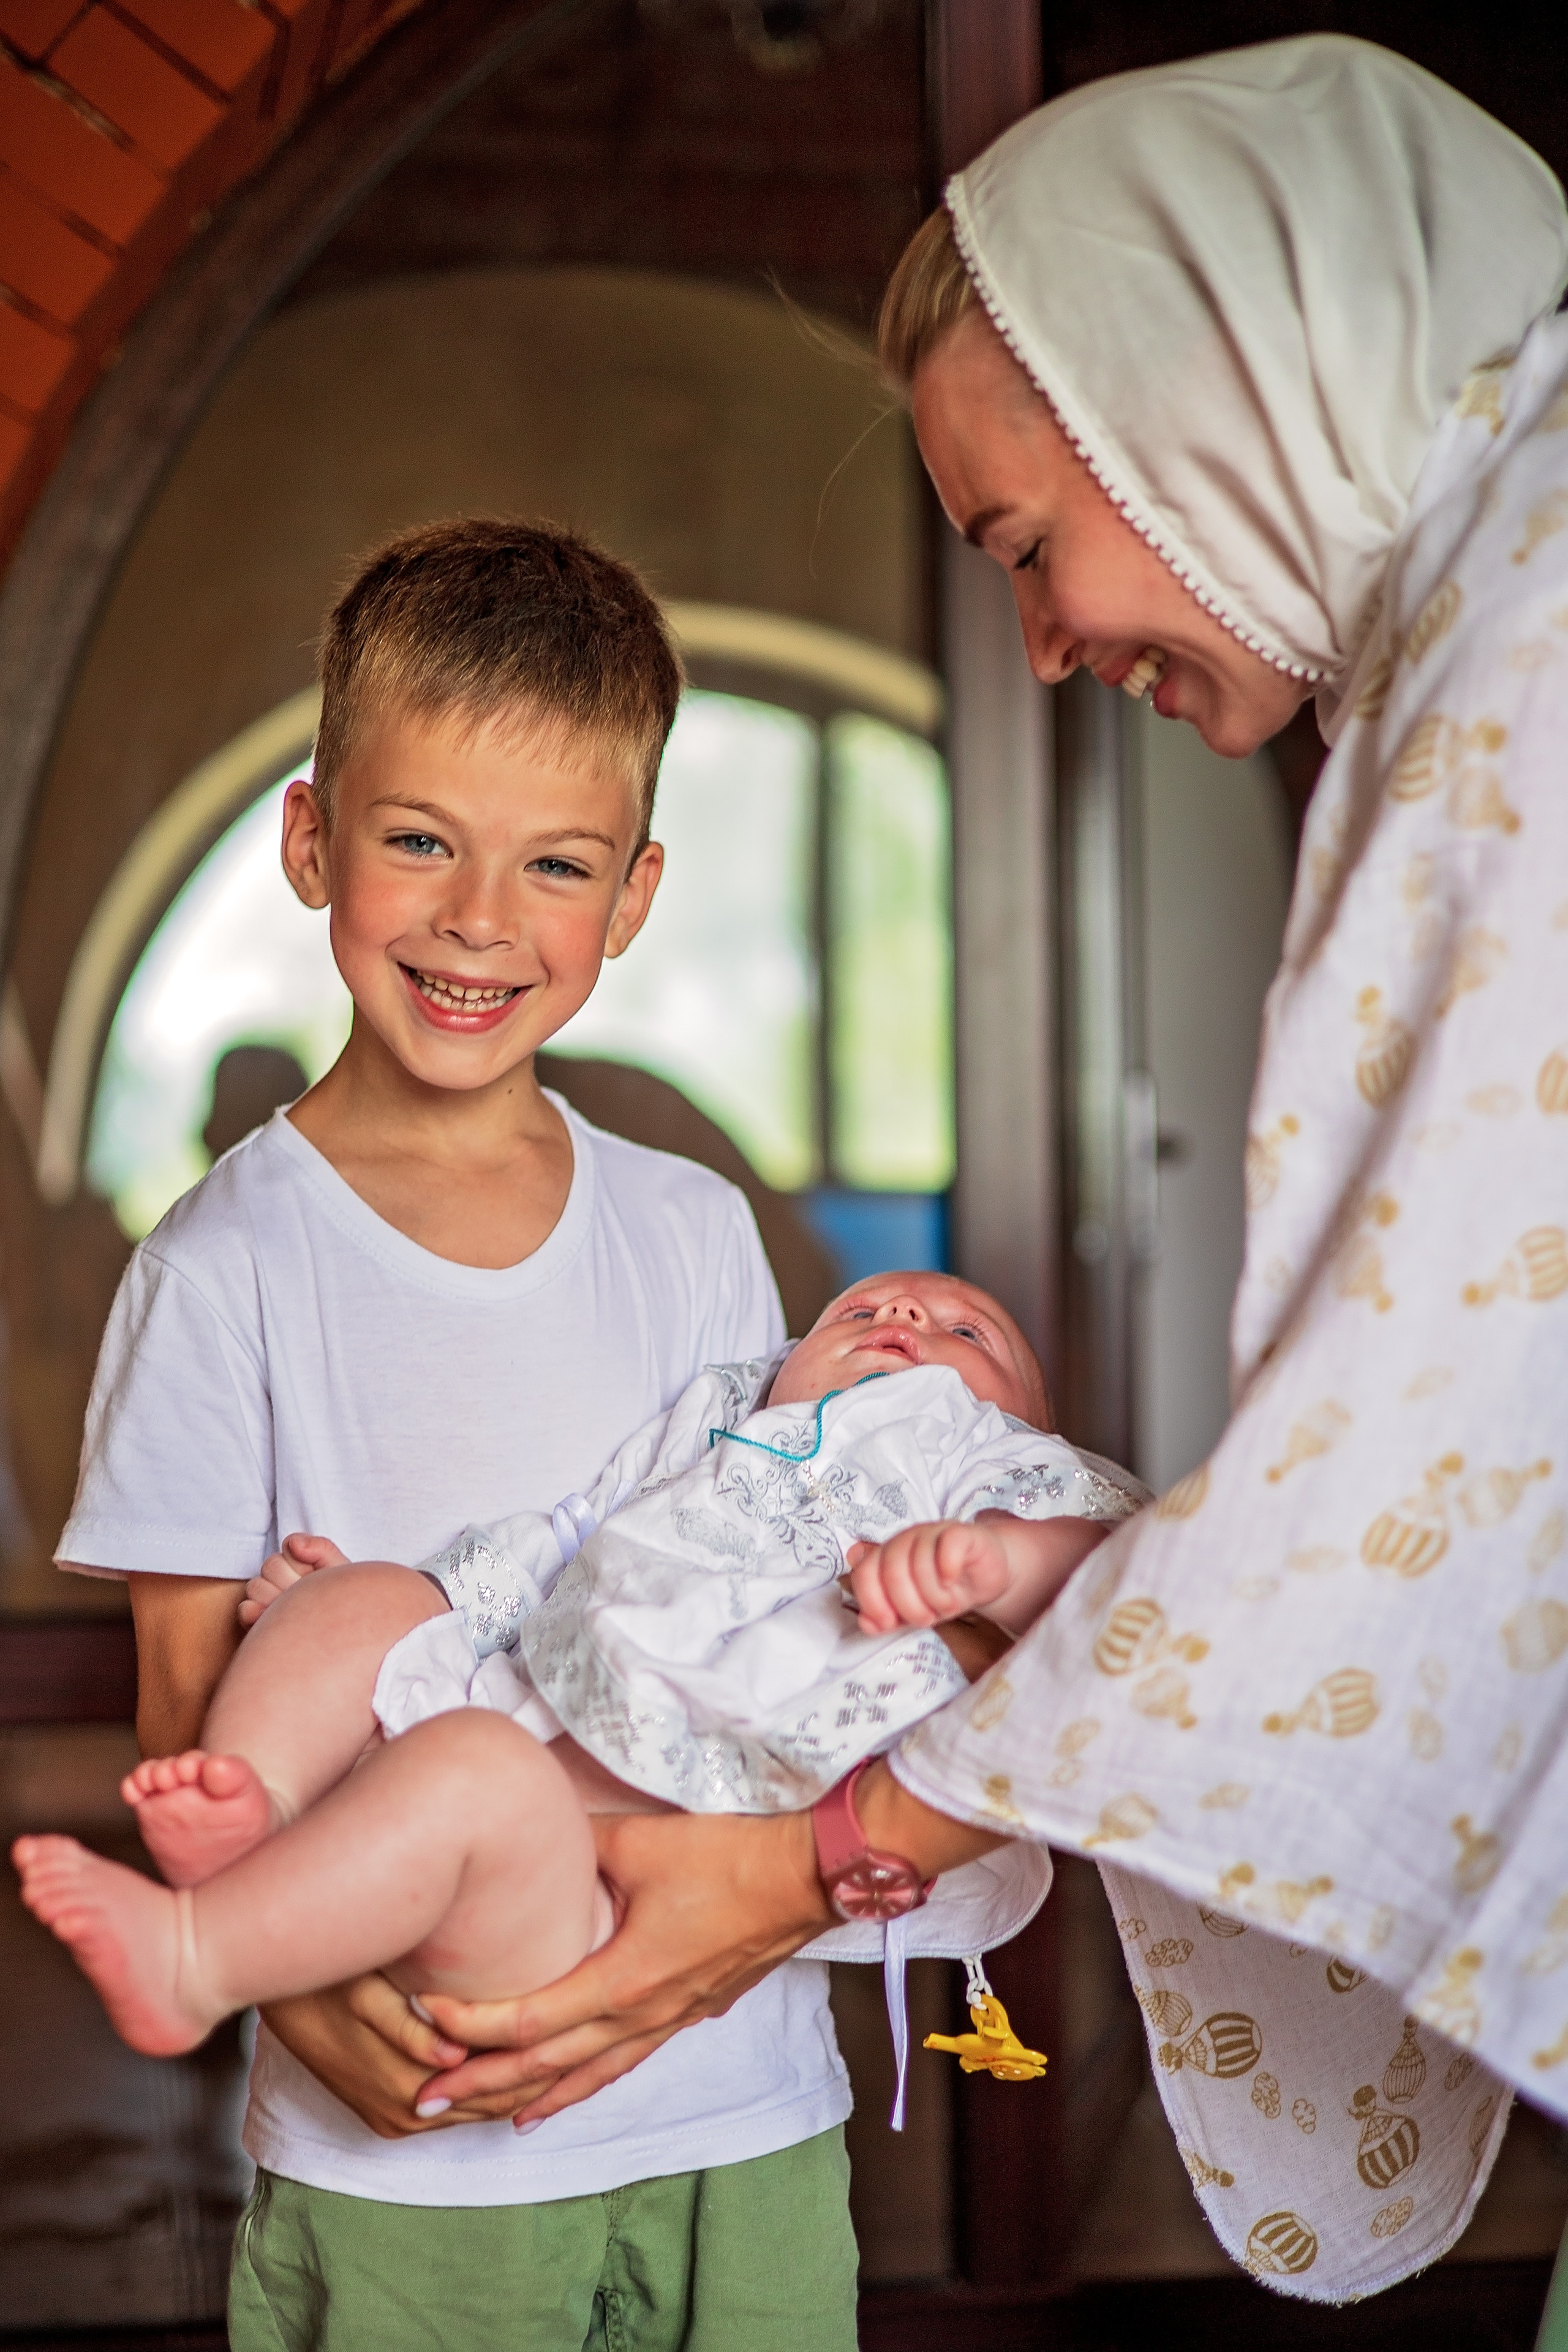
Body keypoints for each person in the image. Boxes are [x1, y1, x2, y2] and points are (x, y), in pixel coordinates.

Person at [388, 37, 1568, 2311]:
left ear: (1210, 398)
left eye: (1030, 541)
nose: (1036, 646)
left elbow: (1403, 1490)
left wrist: (826, 1853)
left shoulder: (1526, 680)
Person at [55, 519, 868, 2352]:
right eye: (420, 839)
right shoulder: (219, 1270)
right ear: (311, 841)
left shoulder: (690, 1230)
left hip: (734, 2098)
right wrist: (318, 2001)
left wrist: (721, 1947)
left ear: (635, 898)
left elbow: (770, 1607)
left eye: (555, 864)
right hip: (413, 2143)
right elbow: (191, 1723)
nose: (480, 919)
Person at [17, 1270, 1142, 2067]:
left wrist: (996, 1560)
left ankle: (197, 1958)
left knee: (472, 1771)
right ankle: (255, 1801)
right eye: (864, 1308)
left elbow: (1116, 1584)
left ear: (1034, 1430)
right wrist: (432, 1618)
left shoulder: (989, 1463)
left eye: (969, 1331)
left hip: (653, 1832)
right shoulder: (722, 1418)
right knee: (354, 1600)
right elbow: (568, 1534)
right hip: (535, 1691)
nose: (906, 1312)